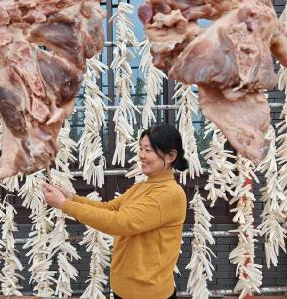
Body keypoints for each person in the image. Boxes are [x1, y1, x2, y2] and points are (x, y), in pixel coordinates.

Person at [44, 124, 188, 299]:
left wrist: (64, 205)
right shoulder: (143, 186)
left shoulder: (170, 194)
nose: (141, 155)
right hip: (125, 289)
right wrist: (71, 198)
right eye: (141, 148)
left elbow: (119, 222)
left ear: (171, 155)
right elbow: (109, 208)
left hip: (147, 293)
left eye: (148, 150)